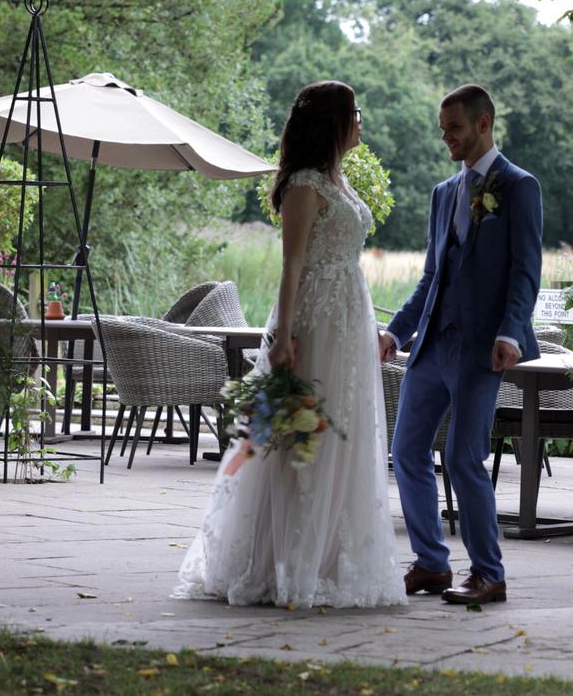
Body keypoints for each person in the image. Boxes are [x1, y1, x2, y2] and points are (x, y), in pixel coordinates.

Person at [175, 81, 405, 609]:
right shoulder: (304, 183)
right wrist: (282, 338)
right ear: (332, 122)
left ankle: (332, 559)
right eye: (354, 112)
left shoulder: (338, 180)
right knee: (302, 437)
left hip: (348, 319)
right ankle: (283, 562)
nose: (361, 120)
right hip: (314, 323)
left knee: (343, 435)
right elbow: (292, 264)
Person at [379, 84, 542, 606]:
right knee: (406, 451)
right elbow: (432, 276)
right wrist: (395, 332)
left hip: (481, 349)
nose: (446, 137)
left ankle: (489, 574)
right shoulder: (442, 193)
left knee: (463, 457)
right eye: (442, 128)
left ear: (483, 124)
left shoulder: (519, 186)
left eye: (454, 127)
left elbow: (525, 271)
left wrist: (510, 332)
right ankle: (431, 563)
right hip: (432, 344)